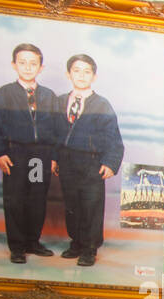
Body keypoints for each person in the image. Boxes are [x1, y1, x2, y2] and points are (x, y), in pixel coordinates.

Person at [0, 43, 58, 264]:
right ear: (14, 65)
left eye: (33, 63)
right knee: (16, 198)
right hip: (16, 154)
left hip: (39, 157)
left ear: (41, 67)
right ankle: (17, 247)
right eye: (23, 62)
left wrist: (54, 156)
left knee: (36, 197)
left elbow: (58, 129)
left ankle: (32, 242)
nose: (28, 67)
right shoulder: (4, 94)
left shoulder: (48, 96)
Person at [52, 54, 122, 267]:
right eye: (76, 70)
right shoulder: (60, 101)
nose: (81, 75)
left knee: (91, 205)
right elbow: (54, 133)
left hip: (92, 163)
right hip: (66, 162)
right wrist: (55, 158)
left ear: (94, 76)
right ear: (68, 74)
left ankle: (89, 249)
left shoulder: (101, 104)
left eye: (86, 71)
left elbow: (113, 137)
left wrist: (110, 163)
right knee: (72, 205)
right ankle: (76, 243)